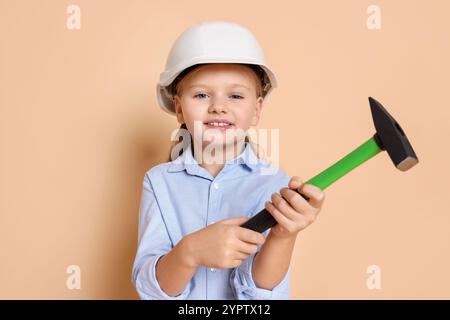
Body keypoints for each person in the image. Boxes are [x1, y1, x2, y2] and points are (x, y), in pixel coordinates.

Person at [132, 21, 325, 300]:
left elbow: (261, 298)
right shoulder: (159, 182)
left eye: (235, 95)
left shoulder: (276, 186)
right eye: (201, 94)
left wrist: (283, 236)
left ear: (256, 110)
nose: (218, 106)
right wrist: (191, 252)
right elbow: (151, 290)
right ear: (179, 108)